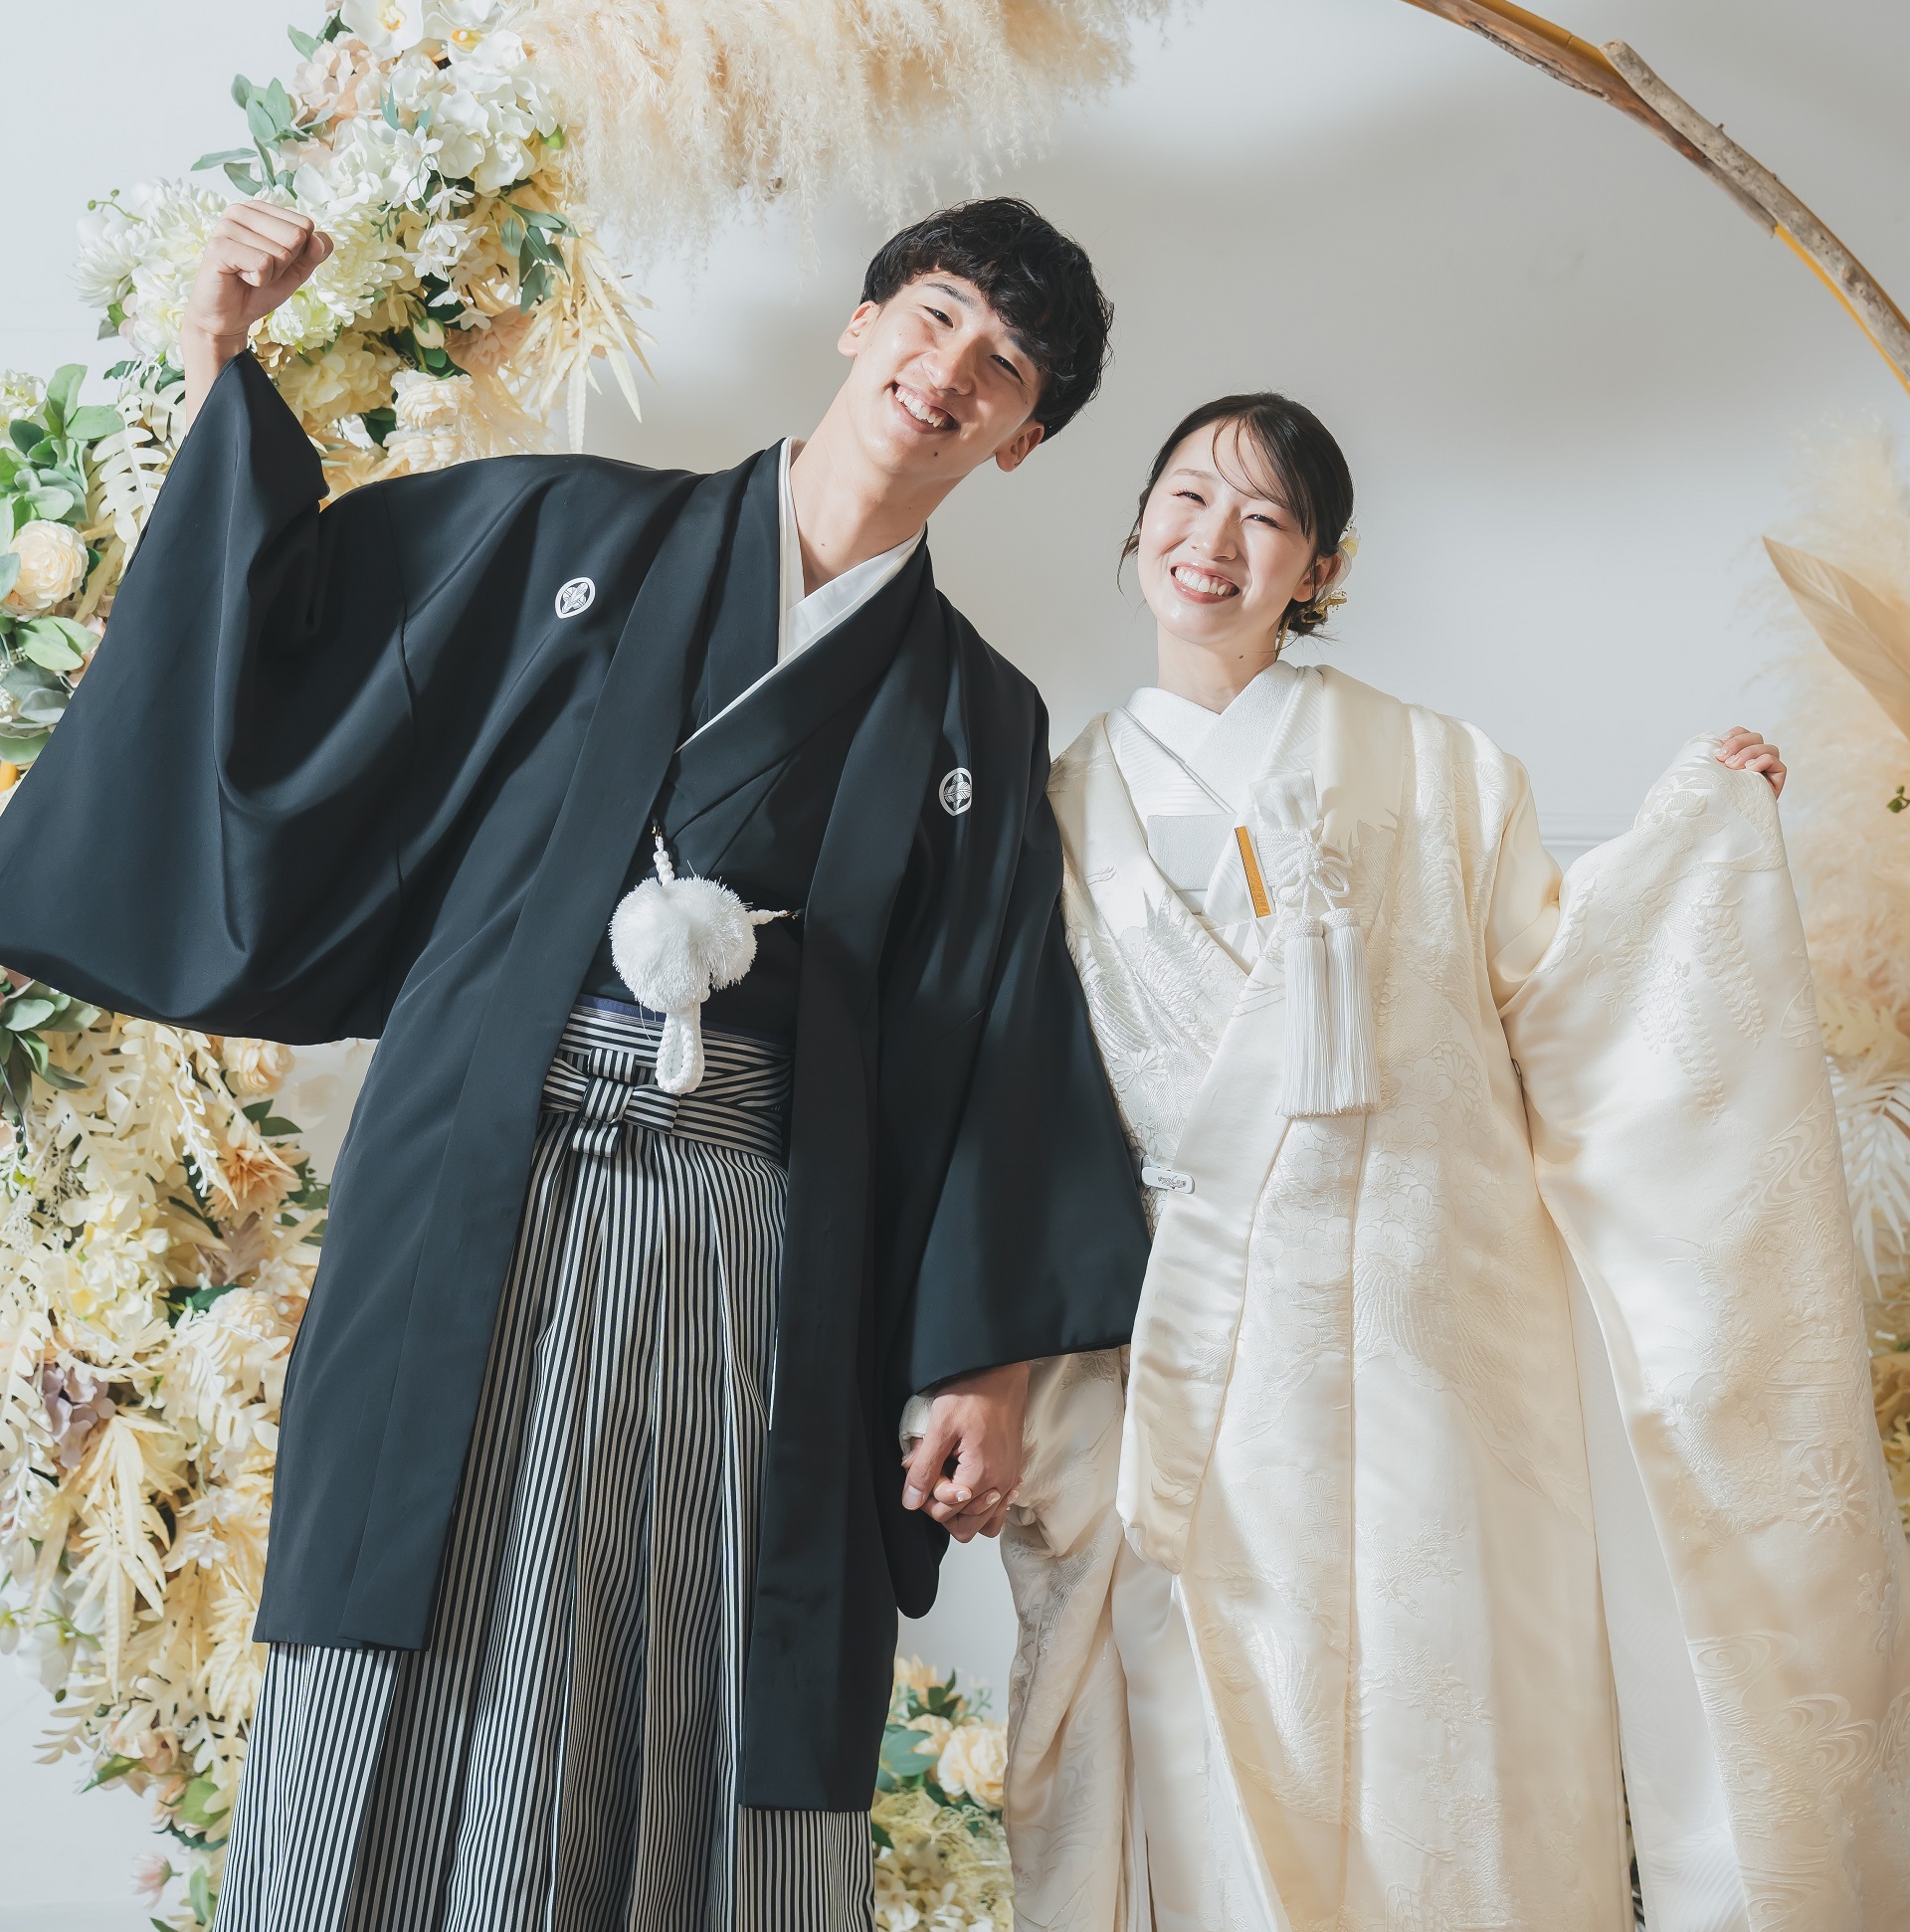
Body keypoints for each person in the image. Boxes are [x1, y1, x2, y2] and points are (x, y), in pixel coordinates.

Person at [0, 195, 1151, 1932]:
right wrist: (223, 353)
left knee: (694, 1645)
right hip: (484, 1179)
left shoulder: (976, 713)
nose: (949, 372)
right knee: (413, 1599)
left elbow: (993, 1032)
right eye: (933, 318)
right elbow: (294, 646)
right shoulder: (569, 531)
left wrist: (978, 1362)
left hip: (751, 1244)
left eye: (1003, 369)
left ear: (1021, 440)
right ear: (861, 325)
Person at [1003, 392, 1910, 1932]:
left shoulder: (1437, 769)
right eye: (1187, 497)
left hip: (1434, 1352)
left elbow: (1565, 992)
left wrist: (1691, 842)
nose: (1213, 540)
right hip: (1189, 1355)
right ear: (1140, 521)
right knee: (1211, 1754)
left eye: (1265, 517)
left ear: (1320, 568)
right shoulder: (1057, 807)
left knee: (1452, 1753)